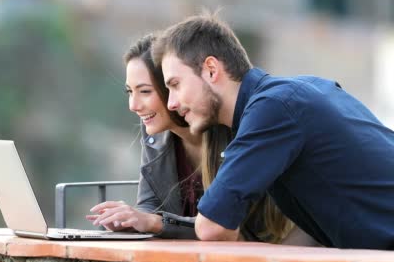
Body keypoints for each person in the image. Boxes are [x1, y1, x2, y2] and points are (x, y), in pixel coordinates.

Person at [152, 13, 394, 249]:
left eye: (175, 84)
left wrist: (157, 222)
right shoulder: (303, 90)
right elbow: (316, 233)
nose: (171, 103)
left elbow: (212, 226)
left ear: (211, 70)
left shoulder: (273, 109)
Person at [87, 34, 298, 243]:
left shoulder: (234, 130)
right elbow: (149, 206)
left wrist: (156, 223)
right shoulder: (155, 134)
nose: (133, 105)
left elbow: (227, 228)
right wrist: (129, 220)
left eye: (144, 91)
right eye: (129, 92)